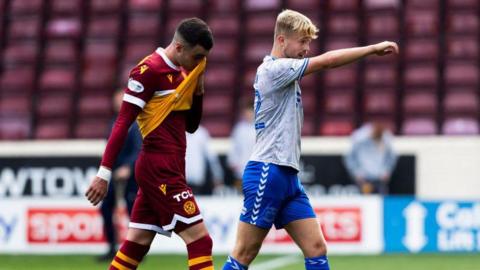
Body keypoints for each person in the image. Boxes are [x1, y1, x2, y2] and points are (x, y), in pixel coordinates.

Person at [222, 9, 398, 270]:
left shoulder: (285, 73)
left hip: (288, 178)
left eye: (309, 42)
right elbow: (326, 62)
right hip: (267, 172)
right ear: (281, 40)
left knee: (316, 248)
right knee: (244, 253)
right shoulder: (274, 69)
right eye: (302, 42)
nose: (306, 48)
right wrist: (371, 48)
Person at [85, 18, 215, 270]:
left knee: (137, 243)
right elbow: (122, 123)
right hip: (160, 169)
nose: (200, 63)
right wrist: (104, 173)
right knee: (200, 240)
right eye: (197, 56)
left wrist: (198, 92)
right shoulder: (149, 70)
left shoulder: (182, 74)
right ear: (179, 47)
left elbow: (191, 126)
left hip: (169, 168)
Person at [97, 89, 141, 261]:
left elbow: (139, 149)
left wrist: (128, 167)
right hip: (113, 173)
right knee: (106, 207)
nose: (119, 103)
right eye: (117, 100)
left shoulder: (136, 123)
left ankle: (135, 250)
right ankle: (111, 247)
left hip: (131, 174)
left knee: (134, 211)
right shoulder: (114, 123)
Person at [344, 122, 397, 195]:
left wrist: (387, 171)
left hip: (380, 178)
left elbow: (391, 157)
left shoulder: (386, 137)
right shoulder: (359, 138)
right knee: (364, 202)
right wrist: (356, 173)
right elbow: (350, 157)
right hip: (364, 178)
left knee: (381, 201)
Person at [186, 124, 224, 194]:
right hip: (179, 178)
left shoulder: (201, 133)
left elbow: (211, 156)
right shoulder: (174, 131)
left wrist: (217, 176)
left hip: (196, 177)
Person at [227, 101, 256, 191]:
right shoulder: (239, 129)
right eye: (246, 113)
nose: (248, 115)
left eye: (250, 112)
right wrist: (233, 161)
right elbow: (234, 147)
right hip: (241, 169)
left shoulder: (261, 128)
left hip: (257, 169)